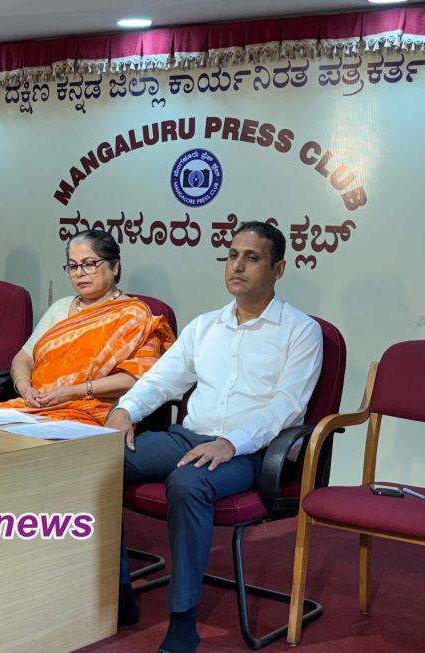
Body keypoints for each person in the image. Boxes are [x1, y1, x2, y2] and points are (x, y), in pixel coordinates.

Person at [105, 221, 322, 653]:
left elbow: (286, 407)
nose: (237, 266)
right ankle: (119, 588)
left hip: (251, 452)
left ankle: (182, 617)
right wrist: (124, 410)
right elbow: (162, 380)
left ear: (278, 269)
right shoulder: (205, 326)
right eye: (232, 255)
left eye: (252, 258)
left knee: (188, 483)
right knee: (95, 460)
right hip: (188, 436)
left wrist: (230, 443)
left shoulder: (300, 331)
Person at [0, 229, 174, 425]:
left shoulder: (134, 315)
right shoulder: (60, 308)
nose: (79, 273)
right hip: (38, 407)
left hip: (94, 413)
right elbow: (23, 359)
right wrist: (25, 389)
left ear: (114, 267)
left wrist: (75, 391)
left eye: (89, 264)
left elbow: (138, 377)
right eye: (73, 266)